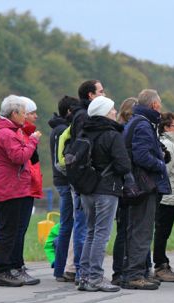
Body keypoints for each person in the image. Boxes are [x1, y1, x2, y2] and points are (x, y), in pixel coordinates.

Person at [76, 96, 131, 292]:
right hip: (107, 189)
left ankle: (83, 276)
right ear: (105, 113)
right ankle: (96, 277)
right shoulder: (111, 134)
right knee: (102, 233)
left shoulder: (83, 132)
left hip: (86, 188)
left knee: (90, 232)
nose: (115, 112)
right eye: (112, 109)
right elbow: (123, 164)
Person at [0, 95, 41, 287]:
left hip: (12, 186)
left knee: (11, 230)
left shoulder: (7, 131)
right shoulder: (5, 133)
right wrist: (32, 142)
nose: (25, 117)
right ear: (14, 113)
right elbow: (19, 157)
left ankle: (11, 268)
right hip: (7, 188)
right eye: (23, 113)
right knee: (7, 231)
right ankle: (2, 270)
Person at [121, 89, 171, 290]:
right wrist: (160, 164)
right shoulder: (142, 124)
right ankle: (135, 274)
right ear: (154, 105)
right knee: (142, 230)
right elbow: (141, 155)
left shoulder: (137, 121)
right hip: (145, 184)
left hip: (140, 183)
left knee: (138, 229)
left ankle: (138, 271)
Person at [67, 80, 106, 283]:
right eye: (101, 91)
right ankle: (83, 272)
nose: (104, 93)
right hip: (85, 179)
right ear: (91, 95)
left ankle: (80, 271)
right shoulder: (84, 116)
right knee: (85, 226)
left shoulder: (80, 115)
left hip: (82, 178)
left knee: (85, 226)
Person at [8, 96, 42, 285]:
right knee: (16, 228)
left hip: (29, 185)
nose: (36, 117)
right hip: (22, 186)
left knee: (21, 228)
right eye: (32, 113)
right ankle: (15, 265)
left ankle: (17, 263)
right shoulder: (22, 136)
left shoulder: (29, 134)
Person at [49, 95, 80, 282]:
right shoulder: (63, 130)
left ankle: (60, 267)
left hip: (59, 179)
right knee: (67, 224)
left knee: (66, 223)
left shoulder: (56, 129)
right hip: (64, 180)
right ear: (69, 111)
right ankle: (61, 268)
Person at [153, 112, 174, 282]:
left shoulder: (171, 144)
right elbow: (165, 170)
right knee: (162, 231)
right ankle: (160, 265)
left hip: (170, 192)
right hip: (168, 194)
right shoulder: (169, 145)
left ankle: (162, 261)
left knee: (163, 230)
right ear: (166, 127)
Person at [111, 96, 137, 285]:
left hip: (121, 184)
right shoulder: (126, 131)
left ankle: (120, 269)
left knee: (124, 229)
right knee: (126, 229)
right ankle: (121, 270)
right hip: (126, 184)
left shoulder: (119, 129)